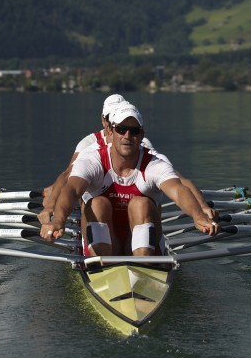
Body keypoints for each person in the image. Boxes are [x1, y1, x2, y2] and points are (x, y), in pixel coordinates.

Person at [40, 103, 219, 256]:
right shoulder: (92, 159)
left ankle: (144, 265)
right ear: (110, 132)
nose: (127, 136)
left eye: (134, 131)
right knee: (97, 204)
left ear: (141, 135)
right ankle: (102, 264)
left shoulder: (154, 163)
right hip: (105, 243)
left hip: (141, 244)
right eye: (121, 129)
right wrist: (58, 221)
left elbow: (179, 191)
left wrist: (198, 215)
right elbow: (71, 189)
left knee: (141, 204)